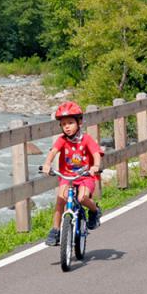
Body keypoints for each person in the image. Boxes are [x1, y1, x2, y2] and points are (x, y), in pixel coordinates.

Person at [41, 101, 102, 246]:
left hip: (85, 176)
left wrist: (96, 166)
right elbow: (53, 151)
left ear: (79, 122)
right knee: (60, 200)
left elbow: (96, 153)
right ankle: (55, 230)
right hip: (67, 177)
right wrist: (47, 164)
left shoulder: (86, 139)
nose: (67, 127)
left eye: (70, 122)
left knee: (82, 198)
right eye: (63, 124)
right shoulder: (62, 140)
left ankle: (94, 210)